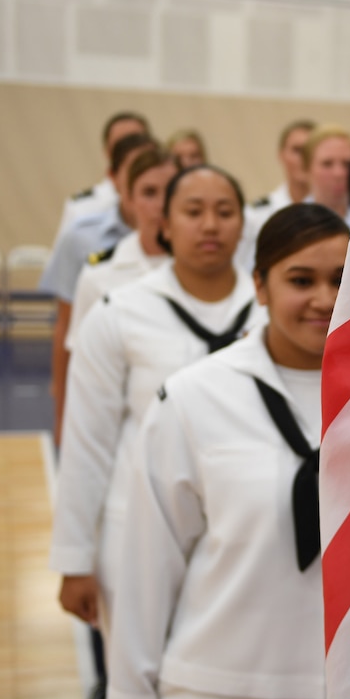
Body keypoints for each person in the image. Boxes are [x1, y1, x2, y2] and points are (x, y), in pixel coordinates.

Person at [106, 203, 349, 699]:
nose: (324, 300)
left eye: (342, 279)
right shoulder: (194, 399)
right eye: (300, 281)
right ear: (259, 286)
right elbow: (146, 570)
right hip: (218, 687)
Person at [50, 164, 263, 656]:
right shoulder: (120, 312)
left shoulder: (270, 314)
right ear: (163, 224)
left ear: (242, 226)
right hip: (139, 534)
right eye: (193, 212)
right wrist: (74, 559)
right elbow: (88, 442)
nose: (210, 225)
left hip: (247, 535)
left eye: (225, 212)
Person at [41, 132, 158, 447]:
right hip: (105, 402)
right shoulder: (83, 239)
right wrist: (62, 413)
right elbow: (67, 333)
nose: (157, 202)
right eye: (146, 187)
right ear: (117, 180)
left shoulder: (187, 258)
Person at [66, 146, 178, 351]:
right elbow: (81, 355)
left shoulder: (205, 269)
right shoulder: (98, 274)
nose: (161, 204)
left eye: (170, 191)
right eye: (149, 193)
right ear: (128, 199)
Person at [55, 111, 151, 240]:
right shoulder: (81, 206)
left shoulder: (167, 203)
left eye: (136, 141)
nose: (130, 151)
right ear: (107, 151)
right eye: (121, 144)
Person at [238, 119, 316, 271]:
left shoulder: (338, 213)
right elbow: (242, 270)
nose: (303, 159)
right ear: (281, 155)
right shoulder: (256, 214)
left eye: (310, 151)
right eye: (297, 150)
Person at [302, 124, 350, 226]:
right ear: (307, 168)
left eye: (347, 164)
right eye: (327, 164)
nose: (339, 173)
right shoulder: (291, 223)